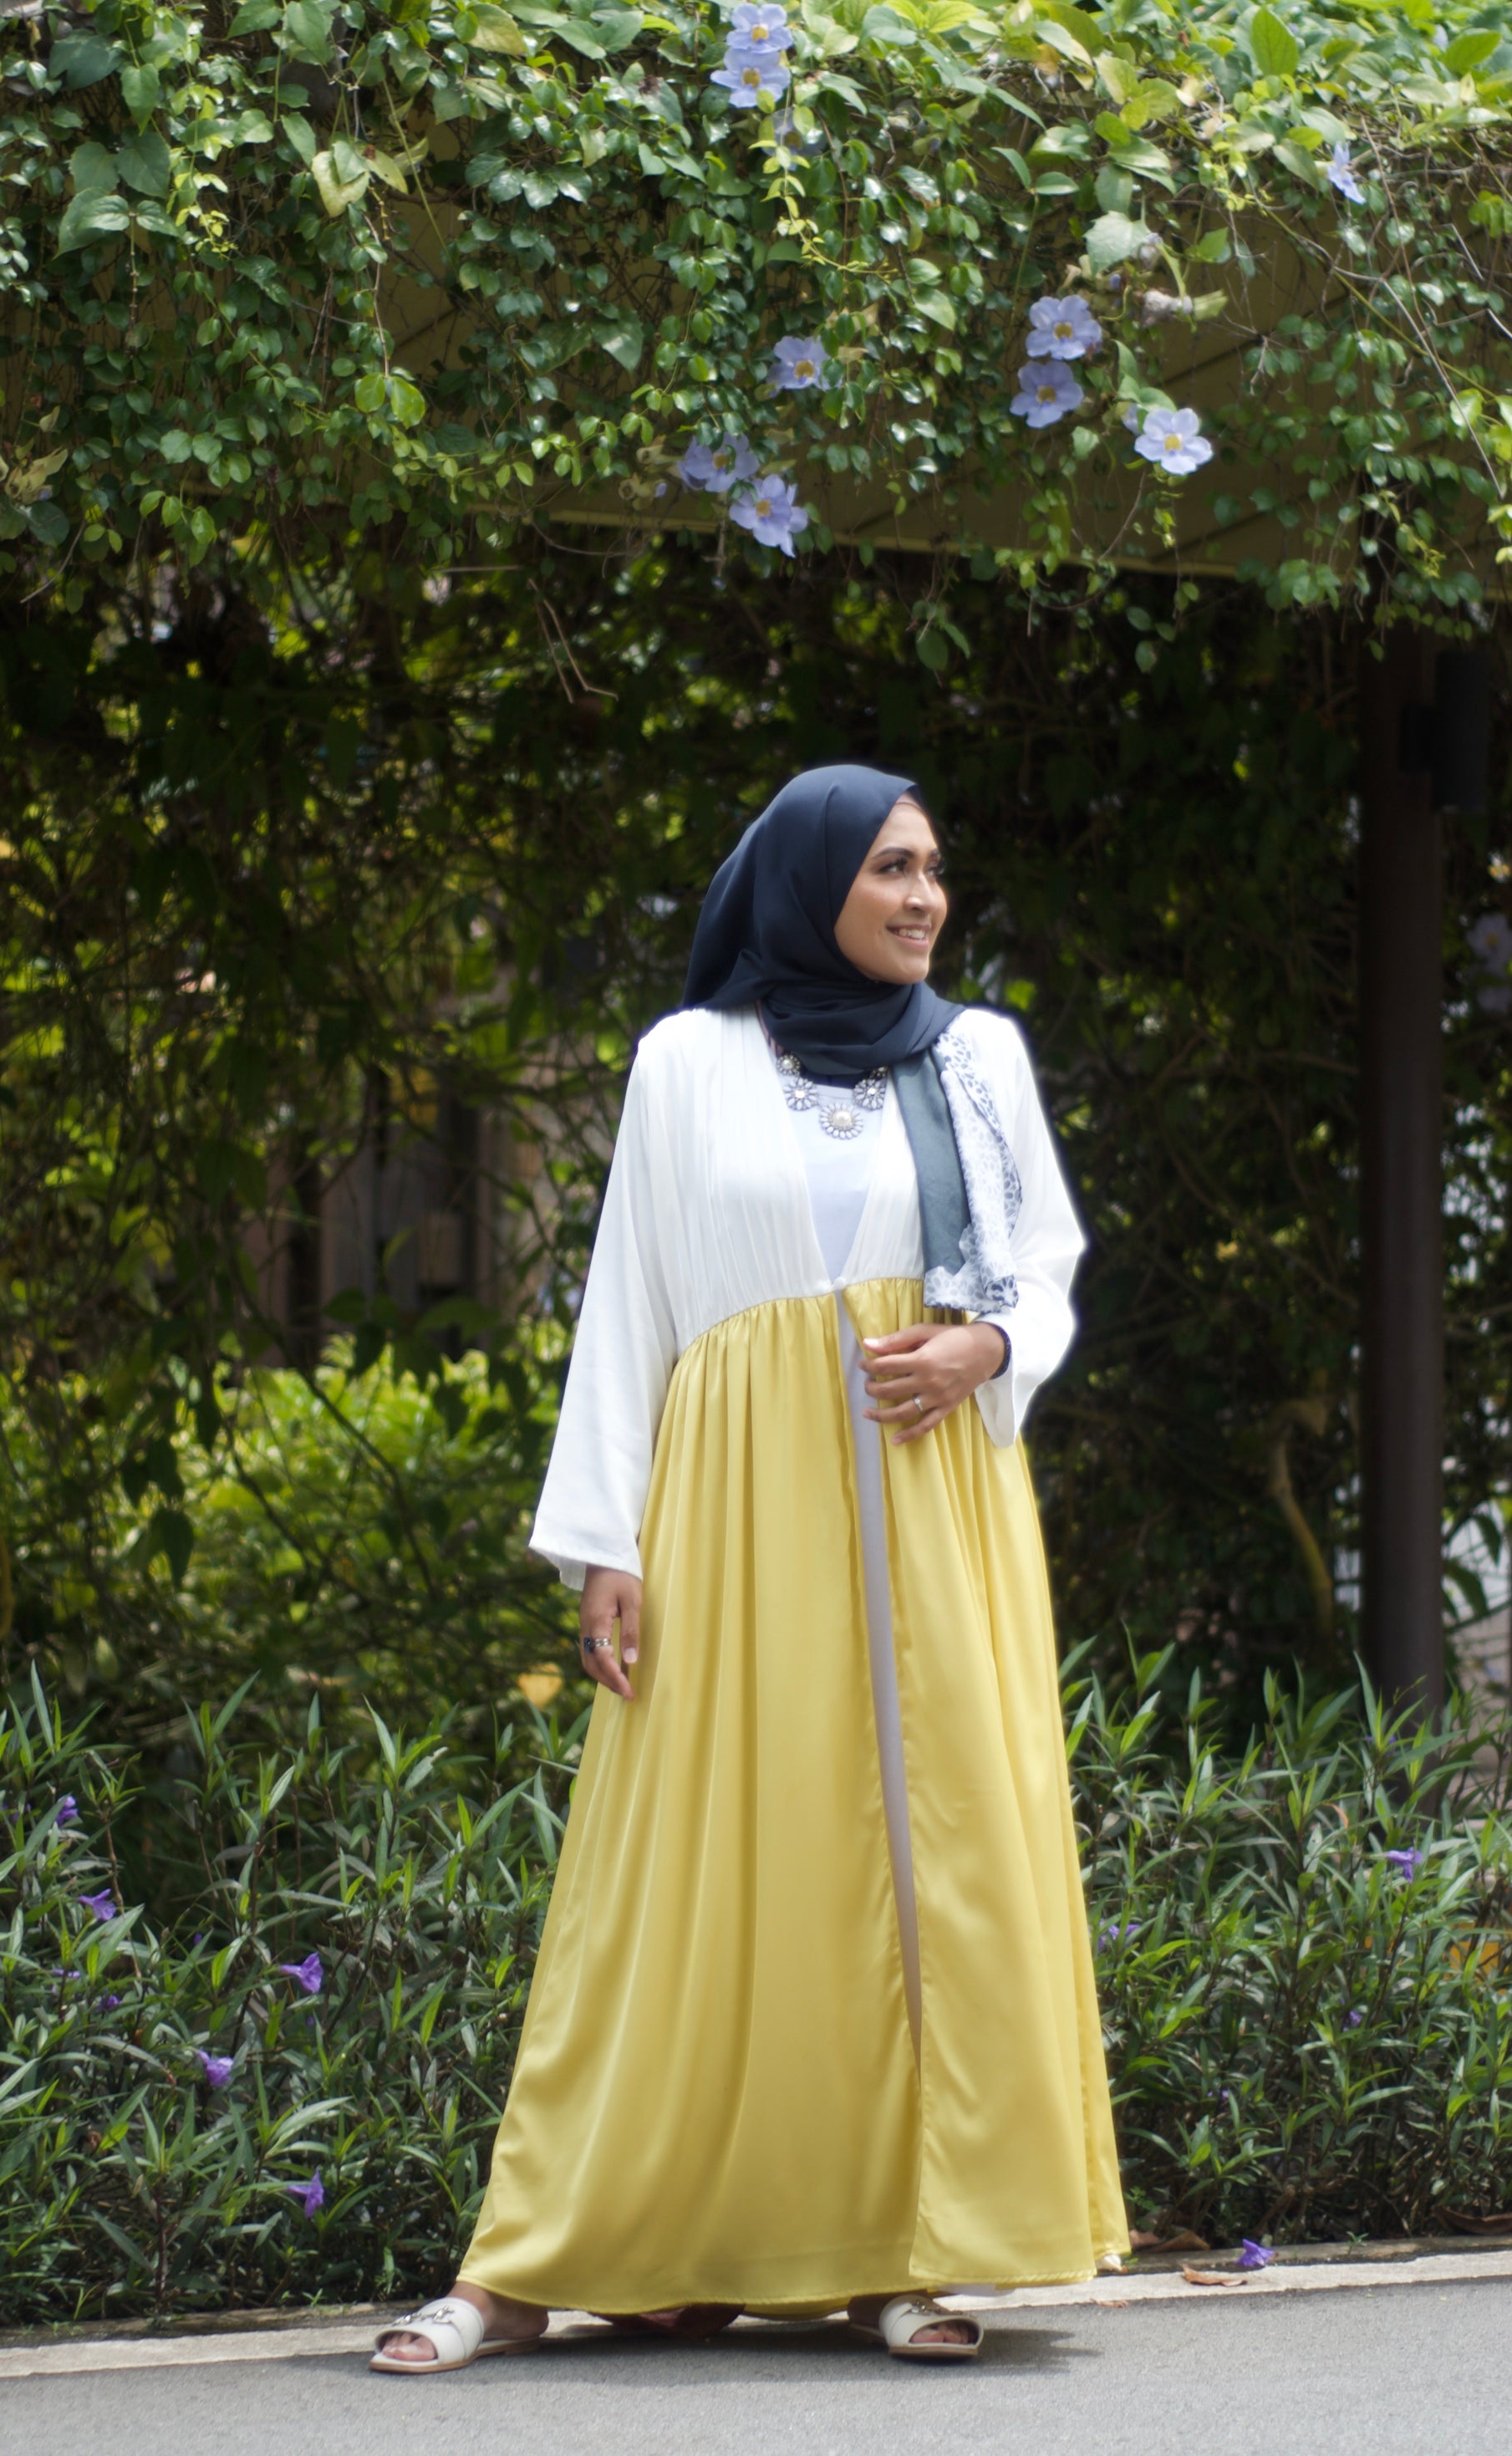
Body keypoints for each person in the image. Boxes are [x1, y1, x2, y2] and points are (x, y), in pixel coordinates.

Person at [372, 764, 1128, 2375]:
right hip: (727, 1503)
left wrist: (986, 1343)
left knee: (931, 1868)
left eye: (932, 869)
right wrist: (605, 1538)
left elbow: (1043, 1262)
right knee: (684, 1866)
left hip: (932, 1495)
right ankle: (535, 2257)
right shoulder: (686, 1061)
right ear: (805, 884)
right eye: (888, 869)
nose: (922, 898)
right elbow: (628, 1297)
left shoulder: (977, 1056)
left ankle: (914, 2253)